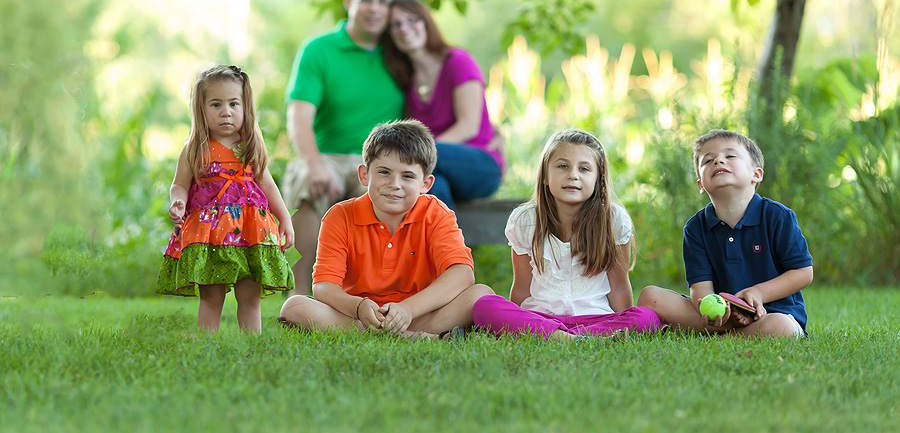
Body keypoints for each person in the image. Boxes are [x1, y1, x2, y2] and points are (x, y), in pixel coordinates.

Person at [278, 119, 494, 339]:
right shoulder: (339, 216)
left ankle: (401, 332)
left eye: (407, 176)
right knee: (294, 306)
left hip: (419, 313)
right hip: (359, 316)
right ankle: (417, 338)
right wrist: (358, 306)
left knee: (481, 296)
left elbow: (462, 274)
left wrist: (408, 309)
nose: (395, 184)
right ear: (364, 175)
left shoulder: (436, 213)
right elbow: (324, 286)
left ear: (425, 185)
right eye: (384, 172)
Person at [281, 0, 405, 294]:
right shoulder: (318, 50)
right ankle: (299, 294)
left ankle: (363, 296)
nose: (375, 9)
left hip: (381, 160)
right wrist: (314, 163)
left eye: (383, 1)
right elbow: (299, 117)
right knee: (310, 182)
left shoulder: (400, 53)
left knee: (386, 191)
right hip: (328, 156)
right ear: (350, 1)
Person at [472, 129, 660, 341]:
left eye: (584, 169)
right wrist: (513, 320)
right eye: (563, 166)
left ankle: (563, 339)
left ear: (599, 180)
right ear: (544, 175)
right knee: (485, 305)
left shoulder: (613, 219)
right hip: (541, 316)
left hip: (596, 319)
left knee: (647, 317)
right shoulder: (525, 220)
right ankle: (572, 339)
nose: (573, 175)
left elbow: (618, 286)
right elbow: (521, 288)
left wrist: (625, 321)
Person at [637, 129, 814, 337]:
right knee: (650, 297)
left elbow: (803, 273)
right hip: (721, 317)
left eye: (730, 156)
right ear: (701, 185)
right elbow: (700, 288)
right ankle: (726, 331)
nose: (718, 161)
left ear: (756, 174)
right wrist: (712, 310)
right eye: (708, 160)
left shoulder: (777, 216)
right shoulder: (695, 229)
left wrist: (758, 293)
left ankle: (715, 338)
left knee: (780, 327)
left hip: (770, 315)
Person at [156, 65, 295, 332]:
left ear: (245, 107)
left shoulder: (251, 145)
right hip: (210, 234)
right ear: (201, 109)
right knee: (211, 295)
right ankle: (208, 347)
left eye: (233, 103)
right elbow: (179, 184)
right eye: (216, 104)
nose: (226, 112)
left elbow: (268, 184)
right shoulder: (195, 148)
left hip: (251, 231)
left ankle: (250, 346)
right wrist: (178, 202)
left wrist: (284, 217)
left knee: (249, 295)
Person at [382, 0, 503, 211]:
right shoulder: (406, 80)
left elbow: (468, 125)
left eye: (411, 20)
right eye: (396, 25)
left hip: (480, 166)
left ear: (426, 22)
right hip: (436, 170)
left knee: (403, 156)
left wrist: (420, 152)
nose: (404, 29)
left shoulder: (458, 61)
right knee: (432, 187)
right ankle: (448, 244)